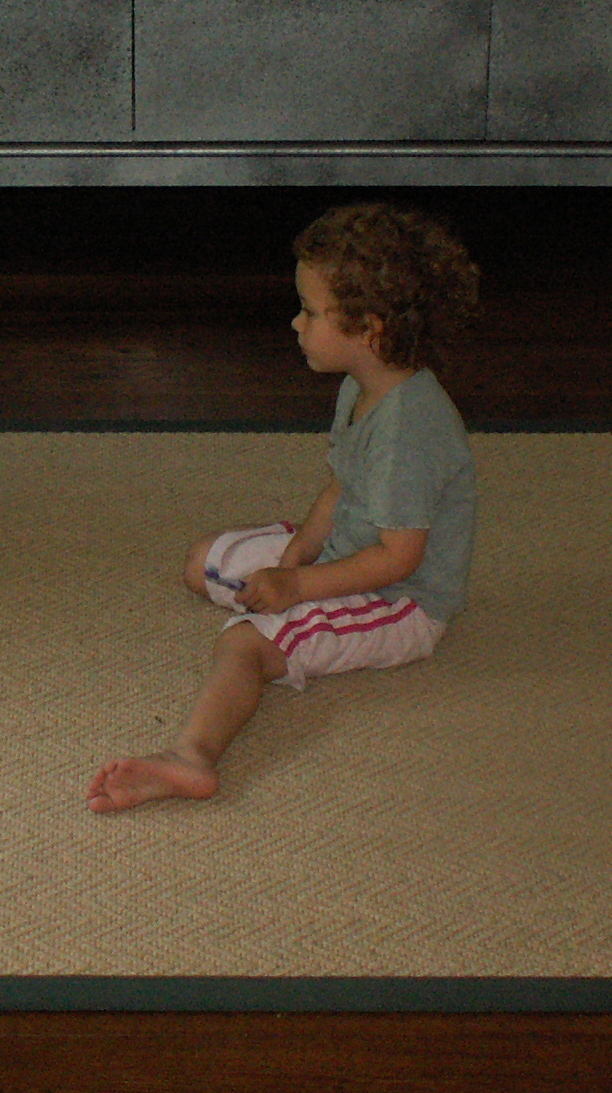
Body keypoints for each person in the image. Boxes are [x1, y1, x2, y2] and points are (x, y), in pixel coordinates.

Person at [88, 202, 480, 812]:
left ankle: (191, 756)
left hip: (398, 600)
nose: (296, 323)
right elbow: (342, 484)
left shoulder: (408, 432)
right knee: (203, 562)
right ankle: (280, 588)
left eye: (310, 311)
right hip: (349, 551)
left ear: (369, 330)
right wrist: (297, 553)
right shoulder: (364, 386)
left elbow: (399, 558)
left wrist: (296, 585)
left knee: (245, 642)